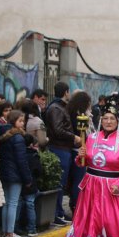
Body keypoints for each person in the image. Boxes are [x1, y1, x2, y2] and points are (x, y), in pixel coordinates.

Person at [55, 94, 119, 237]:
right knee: (90, 222)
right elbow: (83, 164)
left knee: (111, 223)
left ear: (117, 121)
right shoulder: (91, 138)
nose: (108, 122)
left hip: (111, 188)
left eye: (112, 119)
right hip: (92, 187)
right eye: (105, 118)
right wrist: (81, 156)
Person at [45, 82, 81, 225]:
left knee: (62, 183)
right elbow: (58, 130)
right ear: (66, 92)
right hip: (59, 149)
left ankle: (59, 212)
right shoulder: (56, 108)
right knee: (59, 183)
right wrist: (74, 137)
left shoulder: (60, 107)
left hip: (64, 149)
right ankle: (56, 213)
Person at [0, 110, 32, 237]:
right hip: (15, 174)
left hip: (5, 173)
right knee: (12, 203)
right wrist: (27, 178)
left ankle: (6, 232)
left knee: (6, 203)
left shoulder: (4, 135)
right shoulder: (18, 138)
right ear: (13, 122)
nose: (23, 124)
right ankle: (10, 234)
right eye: (20, 121)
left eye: (23, 121)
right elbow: (22, 160)